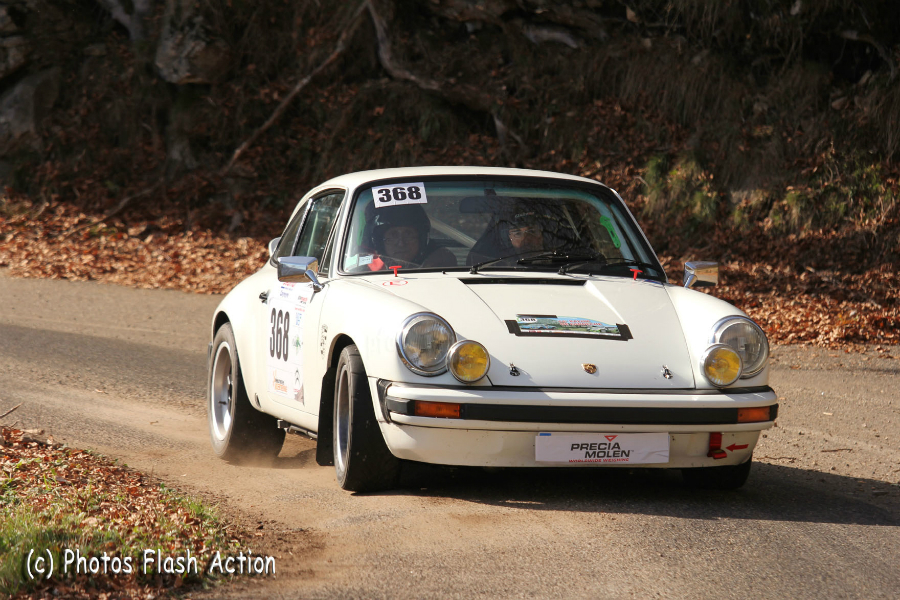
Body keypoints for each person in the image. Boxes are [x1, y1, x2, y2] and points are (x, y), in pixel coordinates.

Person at [363, 203, 456, 270]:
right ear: (380, 241)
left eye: (408, 234)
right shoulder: (364, 265)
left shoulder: (441, 263)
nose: (401, 243)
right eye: (393, 235)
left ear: (421, 239)